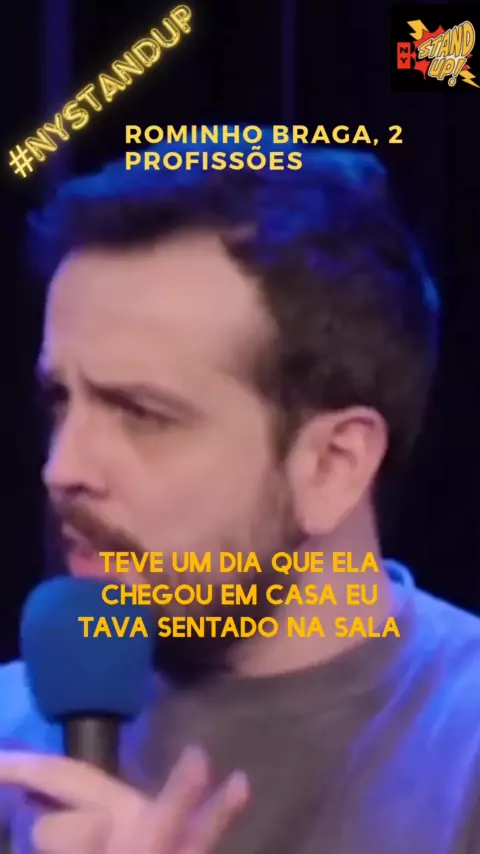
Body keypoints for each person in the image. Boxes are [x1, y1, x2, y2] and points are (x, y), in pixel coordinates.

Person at [1, 133, 480, 854]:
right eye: (61, 400)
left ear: (333, 464)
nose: (62, 467)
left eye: (141, 414)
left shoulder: (463, 752)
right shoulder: (14, 741)